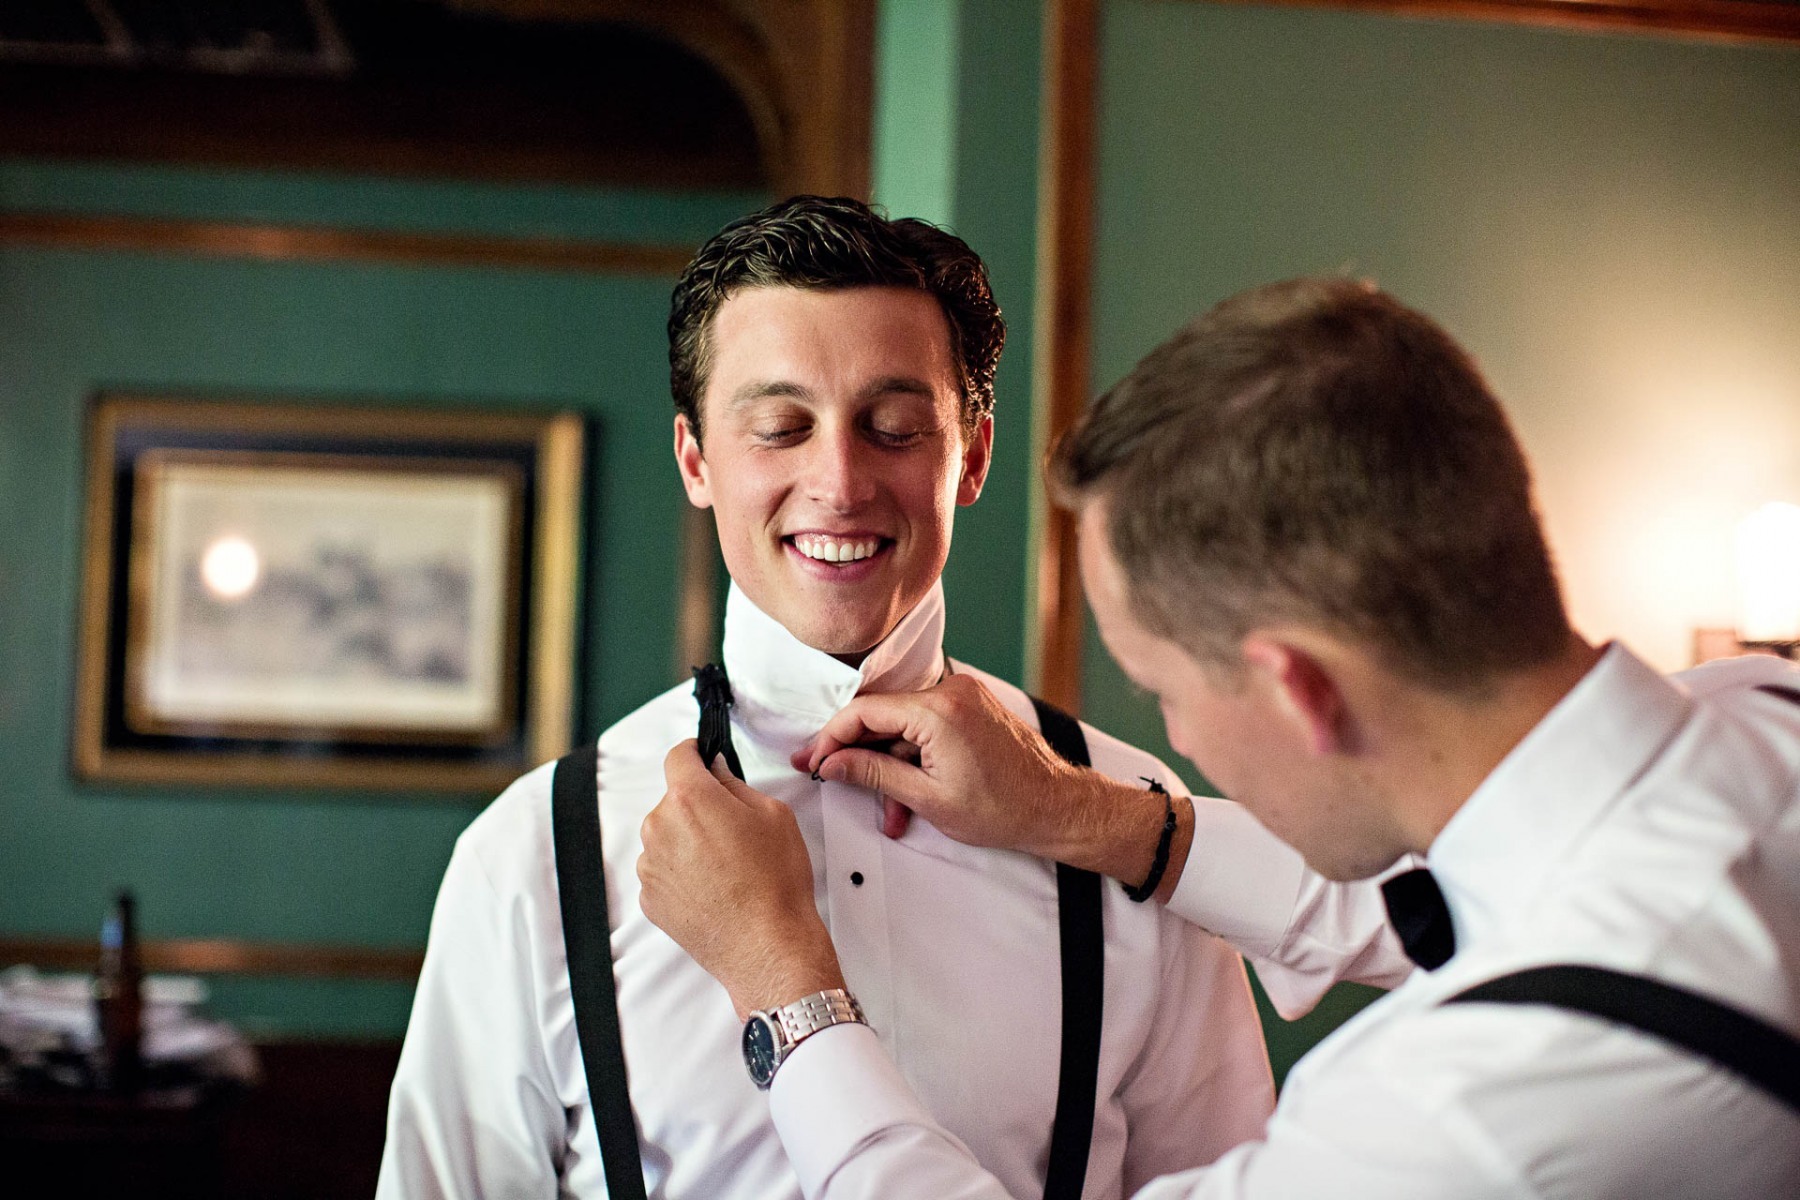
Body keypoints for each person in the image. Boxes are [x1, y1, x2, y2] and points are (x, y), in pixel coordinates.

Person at [638, 277, 1800, 1197]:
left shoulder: (1470, 1107)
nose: (1171, 735)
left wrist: (784, 987)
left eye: (1163, 691)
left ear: (1296, 689)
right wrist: (1084, 815)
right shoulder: (1764, 716)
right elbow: (1464, 891)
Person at [376, 196, 1279, 1198]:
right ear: (695, 460)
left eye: (893, 428)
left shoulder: (1124, 816)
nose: (839, 480)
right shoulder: (535, 852)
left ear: (971, 456)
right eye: (779, 427)